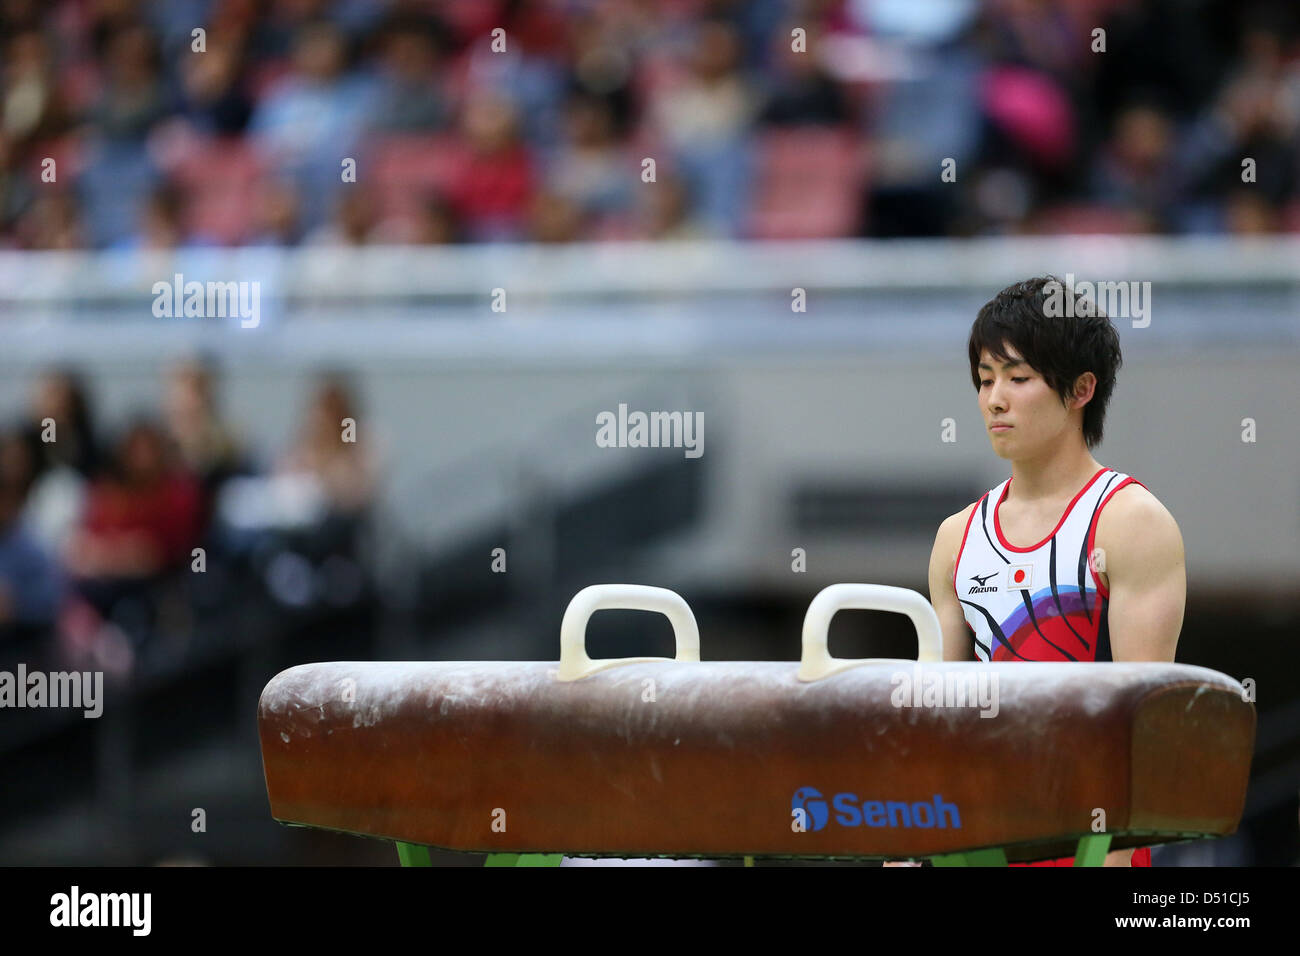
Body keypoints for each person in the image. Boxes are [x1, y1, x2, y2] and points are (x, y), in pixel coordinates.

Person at [914, 275, 1186, 868]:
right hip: (980, 835)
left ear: (1081, 389)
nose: (994, 399)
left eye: (1018, 378)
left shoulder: (1129, 523)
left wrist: (1113, 861)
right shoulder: (956, 538)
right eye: (985, 381)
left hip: (1087, 840)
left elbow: (1143, 727)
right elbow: (935, 723)